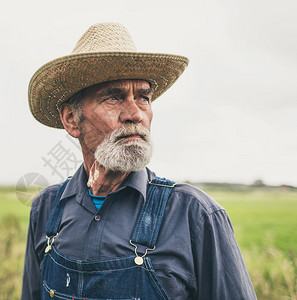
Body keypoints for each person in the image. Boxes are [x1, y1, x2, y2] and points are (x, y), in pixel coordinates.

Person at [22, 22, 256, 300]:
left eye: (143, 97)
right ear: (71, 120)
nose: (135, 113)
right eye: (114, 97)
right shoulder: (46, 209)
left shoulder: (196, 214)